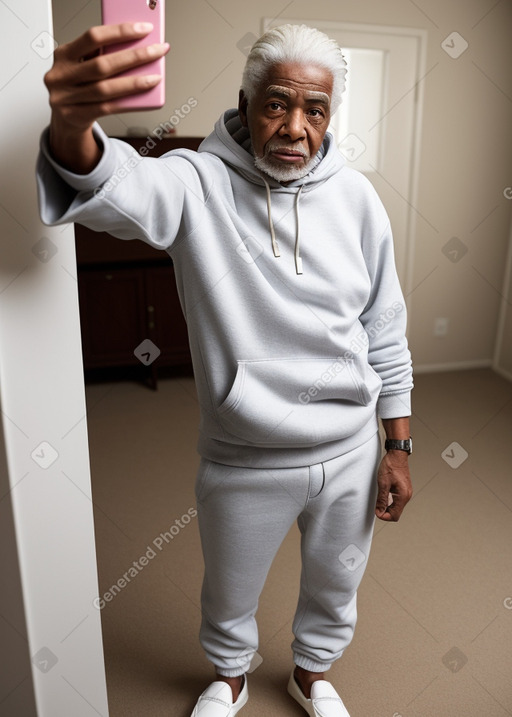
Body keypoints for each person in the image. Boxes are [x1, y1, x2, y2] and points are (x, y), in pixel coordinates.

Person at [37, 22, 413, 717]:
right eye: (277, 104)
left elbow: (385, 328)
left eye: (316, 110)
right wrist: (71, 126)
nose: (295, 127)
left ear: (331, 116)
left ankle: (311, 672)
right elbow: (119, 184)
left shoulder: (358, 199)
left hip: (353, 446)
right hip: (247, 453)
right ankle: (230, 678)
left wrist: (398, 445)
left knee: (337, 580)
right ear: (245, 103)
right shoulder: (195, 184)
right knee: (229, 588)